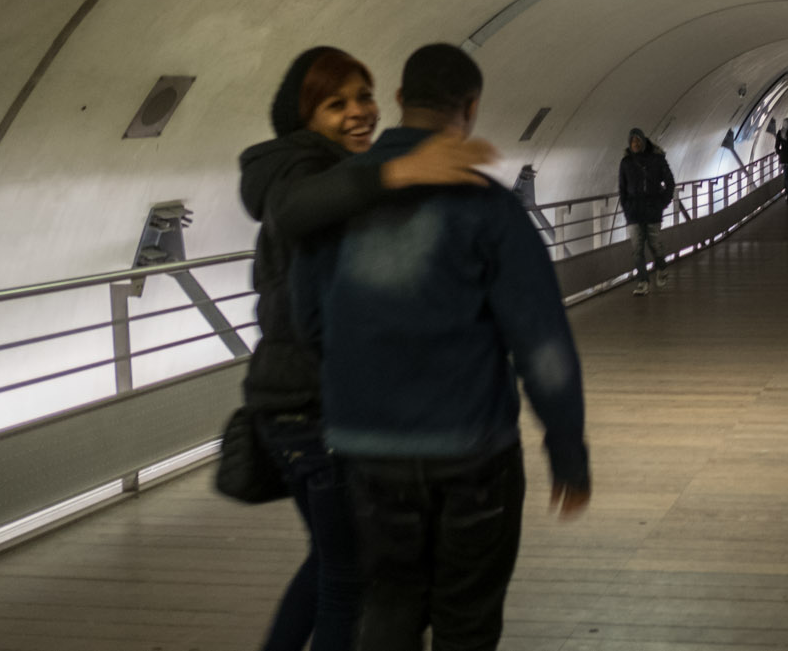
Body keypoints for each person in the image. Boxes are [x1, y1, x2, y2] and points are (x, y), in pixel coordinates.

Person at [291, 44, 590, 651]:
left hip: (366, 450)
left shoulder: (335, 199)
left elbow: (309, 324)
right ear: (471, 108)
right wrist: (566, 446)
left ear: (399, 99)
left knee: (387, 608)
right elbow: (541, 343)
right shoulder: (489, 206)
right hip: (473, 451)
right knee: (468, 619)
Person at [238, 46, 496, 651]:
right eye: (336, 104)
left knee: (330, 561)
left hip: (300, 402)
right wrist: (398, 173)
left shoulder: (331, 175)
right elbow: (297, 215)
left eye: (365, 96)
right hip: (314, 408)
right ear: (303, 117)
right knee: (350, 576)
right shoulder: (298, 175)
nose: (359, 113)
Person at [619, 127, 677, 295]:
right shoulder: (626, 163)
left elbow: (670, 183)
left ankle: (661, 268)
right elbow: (622, 188)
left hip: (652, 211)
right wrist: (626, 208)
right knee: (637, 249)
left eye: (638, 140)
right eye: (632, 141)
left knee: (654, 245)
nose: (635, 144)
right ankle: (643, 281)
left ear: (643, 141)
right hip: (634, 213)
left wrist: (662, 203)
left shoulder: (657, 160)